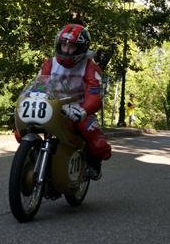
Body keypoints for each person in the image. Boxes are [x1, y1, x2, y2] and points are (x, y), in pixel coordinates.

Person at [15, 23, 112, 180]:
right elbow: (38, 86)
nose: (66, 50)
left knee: (98, 143)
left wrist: (84, 110)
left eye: (71, 46)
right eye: (64, 45)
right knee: (20, 133)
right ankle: (33, 156)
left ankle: (93, 164)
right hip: (53, 106)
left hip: (79, 109)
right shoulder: (49, 64)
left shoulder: (90, 67)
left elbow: (95, 96)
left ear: (82, 48)